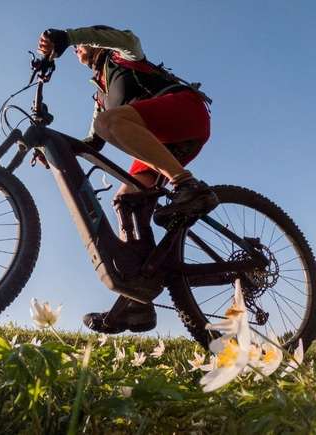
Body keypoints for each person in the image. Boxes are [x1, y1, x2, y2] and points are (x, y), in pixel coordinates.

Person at [37, 25, 219, 334]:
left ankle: (188, 185)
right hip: (163, 144)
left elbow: (125, 37)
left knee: (111, 122)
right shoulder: (102, 97)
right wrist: (50, 151)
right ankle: (138, 301)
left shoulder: (123, 55)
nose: (79, 51)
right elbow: (92, 143)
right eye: (77, 47)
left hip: (185, 112)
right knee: (125, 199)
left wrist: (68, 37)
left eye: (83, 45)